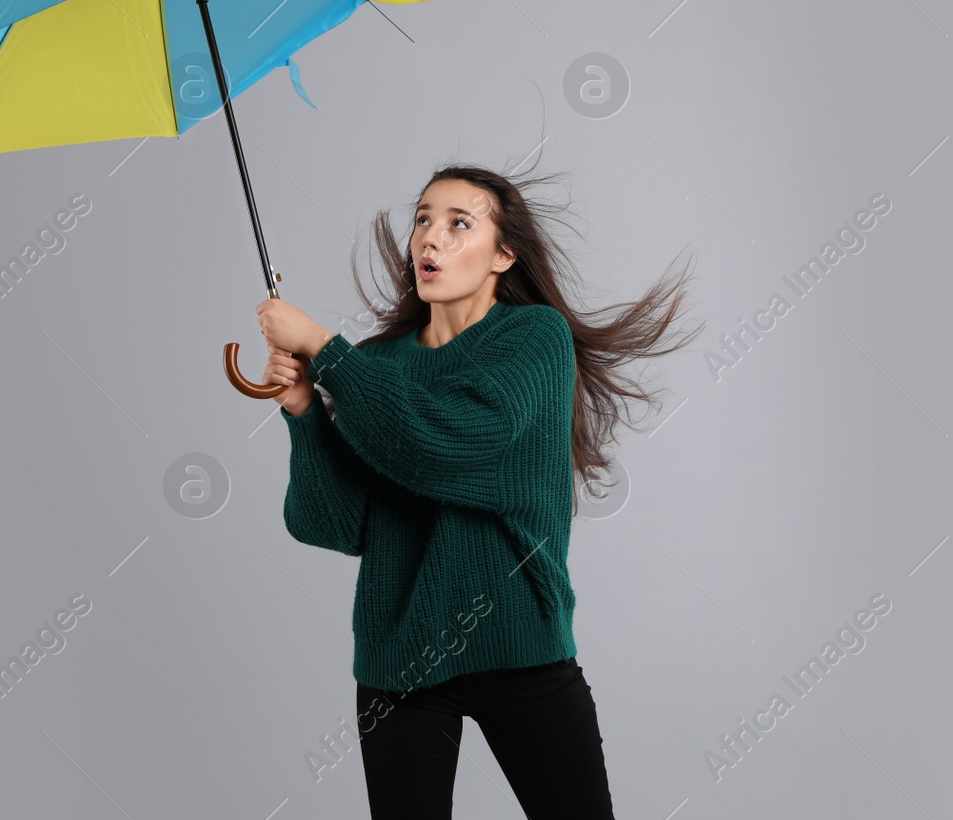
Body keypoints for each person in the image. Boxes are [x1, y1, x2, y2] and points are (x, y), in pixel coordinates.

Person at [257, 162, 701, 819]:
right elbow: (334, 521)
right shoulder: (377, 366)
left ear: (503, 253)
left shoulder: (535, 338)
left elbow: (450, 440)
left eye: (457, 223)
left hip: (520, 647)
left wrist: (324, 348)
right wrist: (302, 409)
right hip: (399, 662)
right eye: (423, 221)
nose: (429, 239)